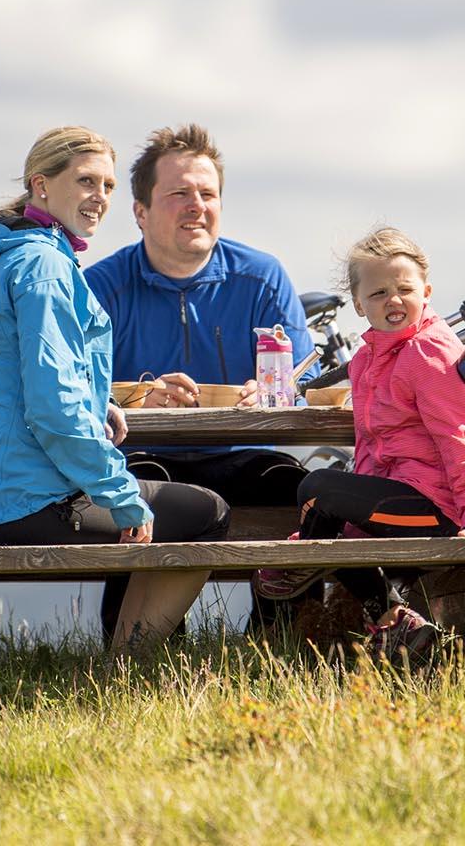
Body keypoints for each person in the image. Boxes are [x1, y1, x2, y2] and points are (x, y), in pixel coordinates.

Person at [0, 127, 231, 652]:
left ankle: (127, 660)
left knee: (158, 497)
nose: (99, 197)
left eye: (107, 185)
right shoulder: (46, 267)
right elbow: (53, 410)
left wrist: (100, 402)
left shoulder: (2, 261)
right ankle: (131, 664)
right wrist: (120, 498)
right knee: (207, 513)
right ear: (42, 186)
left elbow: (11, 372)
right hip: (30, 501)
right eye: (84, 181)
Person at [84, 125, 318, 634]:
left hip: (241, 455)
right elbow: (72, 385)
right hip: (146, 459)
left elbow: (308, 373)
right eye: (179, 194)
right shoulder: (101, 286)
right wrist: (141, 396)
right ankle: (136, 658)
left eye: (207, 194)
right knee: (137, 498)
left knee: (303, 492)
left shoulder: (262, 276)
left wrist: (275, 391)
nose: (196, 205)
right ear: (140, 212)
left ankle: (279, 643)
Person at [254, 227, 465, 660]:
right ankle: (390, 619)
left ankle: (311, 568)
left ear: (426, 292)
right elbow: (373, 448)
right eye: (379, 293)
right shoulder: (367, 359)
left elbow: (462, 435)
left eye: (405, 289)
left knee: (317, 490)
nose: (393, 300)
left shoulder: (428, 353)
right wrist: (349, 519)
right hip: (403, 497)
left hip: (440, 507)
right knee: (323, 504)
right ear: (358, 303)